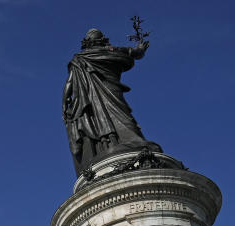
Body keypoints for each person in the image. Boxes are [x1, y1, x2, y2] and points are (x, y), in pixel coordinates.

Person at [62, 28, 162, 174]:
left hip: (95, 98)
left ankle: (112, 142)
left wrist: (65, 102)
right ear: (102, 39)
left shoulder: (80, 58)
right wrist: (140, 48)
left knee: (109, 118)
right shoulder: (111, 51)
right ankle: (121, 142)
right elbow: (135, 53)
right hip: (112, 91)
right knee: (122, 116)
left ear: (86, 43)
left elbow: (69, 83)